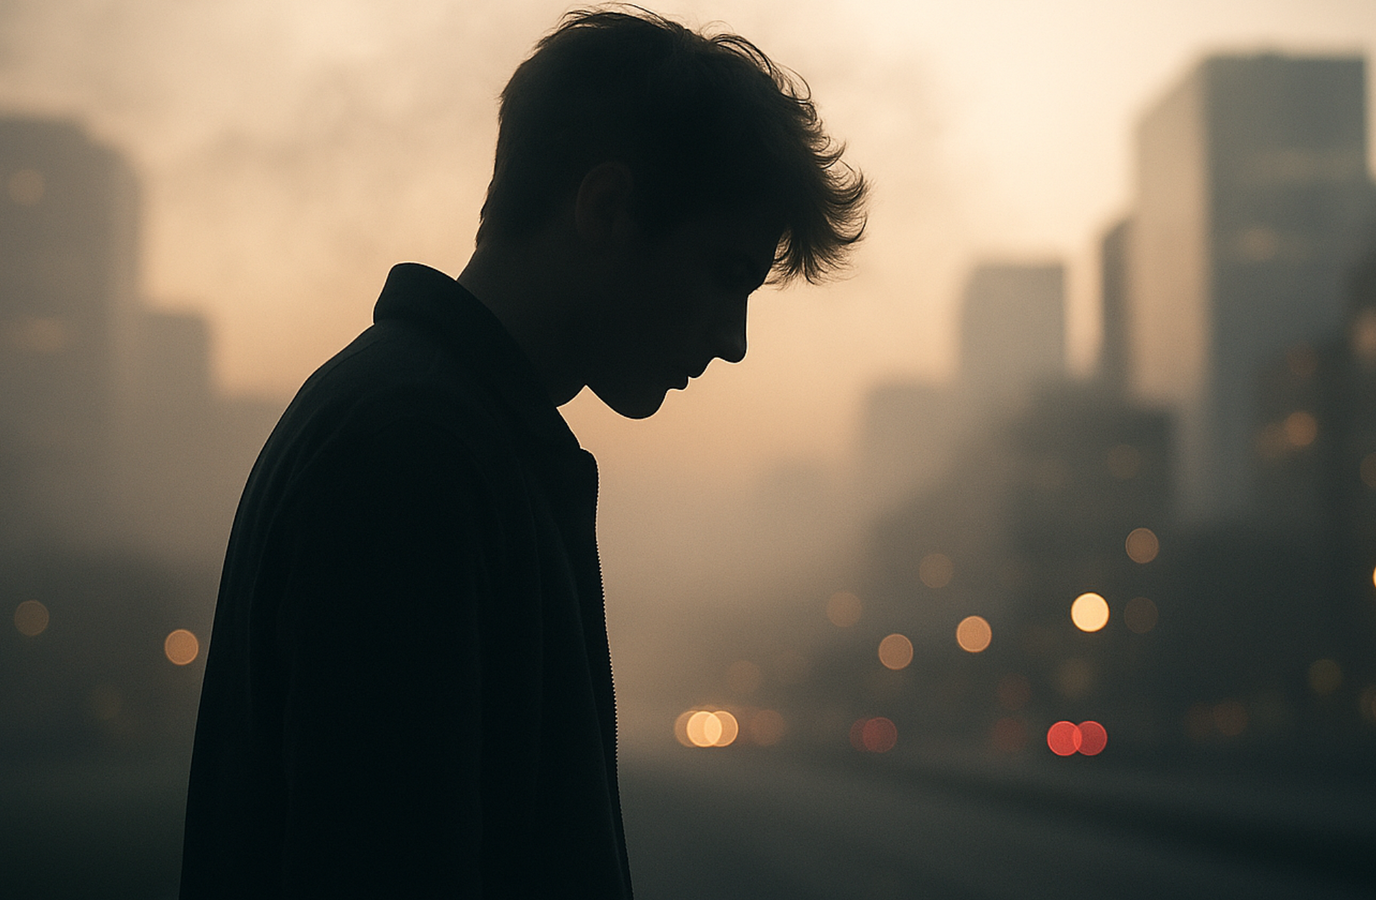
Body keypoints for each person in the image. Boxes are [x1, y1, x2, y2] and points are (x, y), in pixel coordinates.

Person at [179, 7, 865, 898]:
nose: (732, 341)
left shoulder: (432, 426)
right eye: (726, 275)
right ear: (606, 207)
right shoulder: (415, 453)